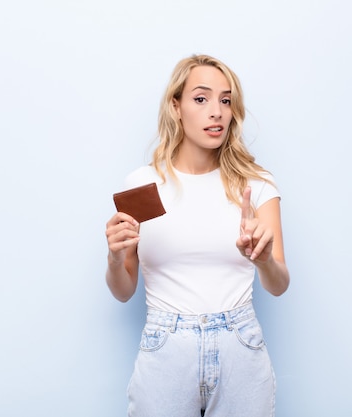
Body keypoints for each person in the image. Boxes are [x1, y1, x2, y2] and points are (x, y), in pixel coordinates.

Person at [104, 54, 290, 417]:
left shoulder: (256, 185)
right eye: (201, 99)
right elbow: (123, 289)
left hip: (241, 345)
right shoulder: (143, 185)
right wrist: (114, 258)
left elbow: (279, 284)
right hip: (166, 348)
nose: (216, 111)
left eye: (225, 100)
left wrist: (264, 259)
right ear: (176, 106)